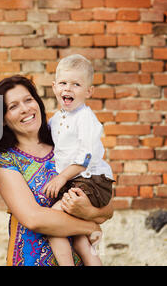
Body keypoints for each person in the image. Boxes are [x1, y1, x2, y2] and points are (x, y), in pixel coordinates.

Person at [0, 75, 113, 266]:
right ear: (2, 119)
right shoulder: (5, 160)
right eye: (13, 106)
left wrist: (87, 209)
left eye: (28, 100)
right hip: (31, 260)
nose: (25, 109)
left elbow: (107, 208)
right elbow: (34, 218)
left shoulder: (64, 145)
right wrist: (90, 225)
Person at [43, 54, 115, 266]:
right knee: (79, 239)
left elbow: (85, 157)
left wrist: (60, 178)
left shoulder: (86, 118)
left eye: (76, 84)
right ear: (55, 87)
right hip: (77, 179)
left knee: (53, 219)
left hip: (93, 179)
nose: (68, 89)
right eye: (63, 83)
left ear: (88, 91)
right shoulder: (57, 119)